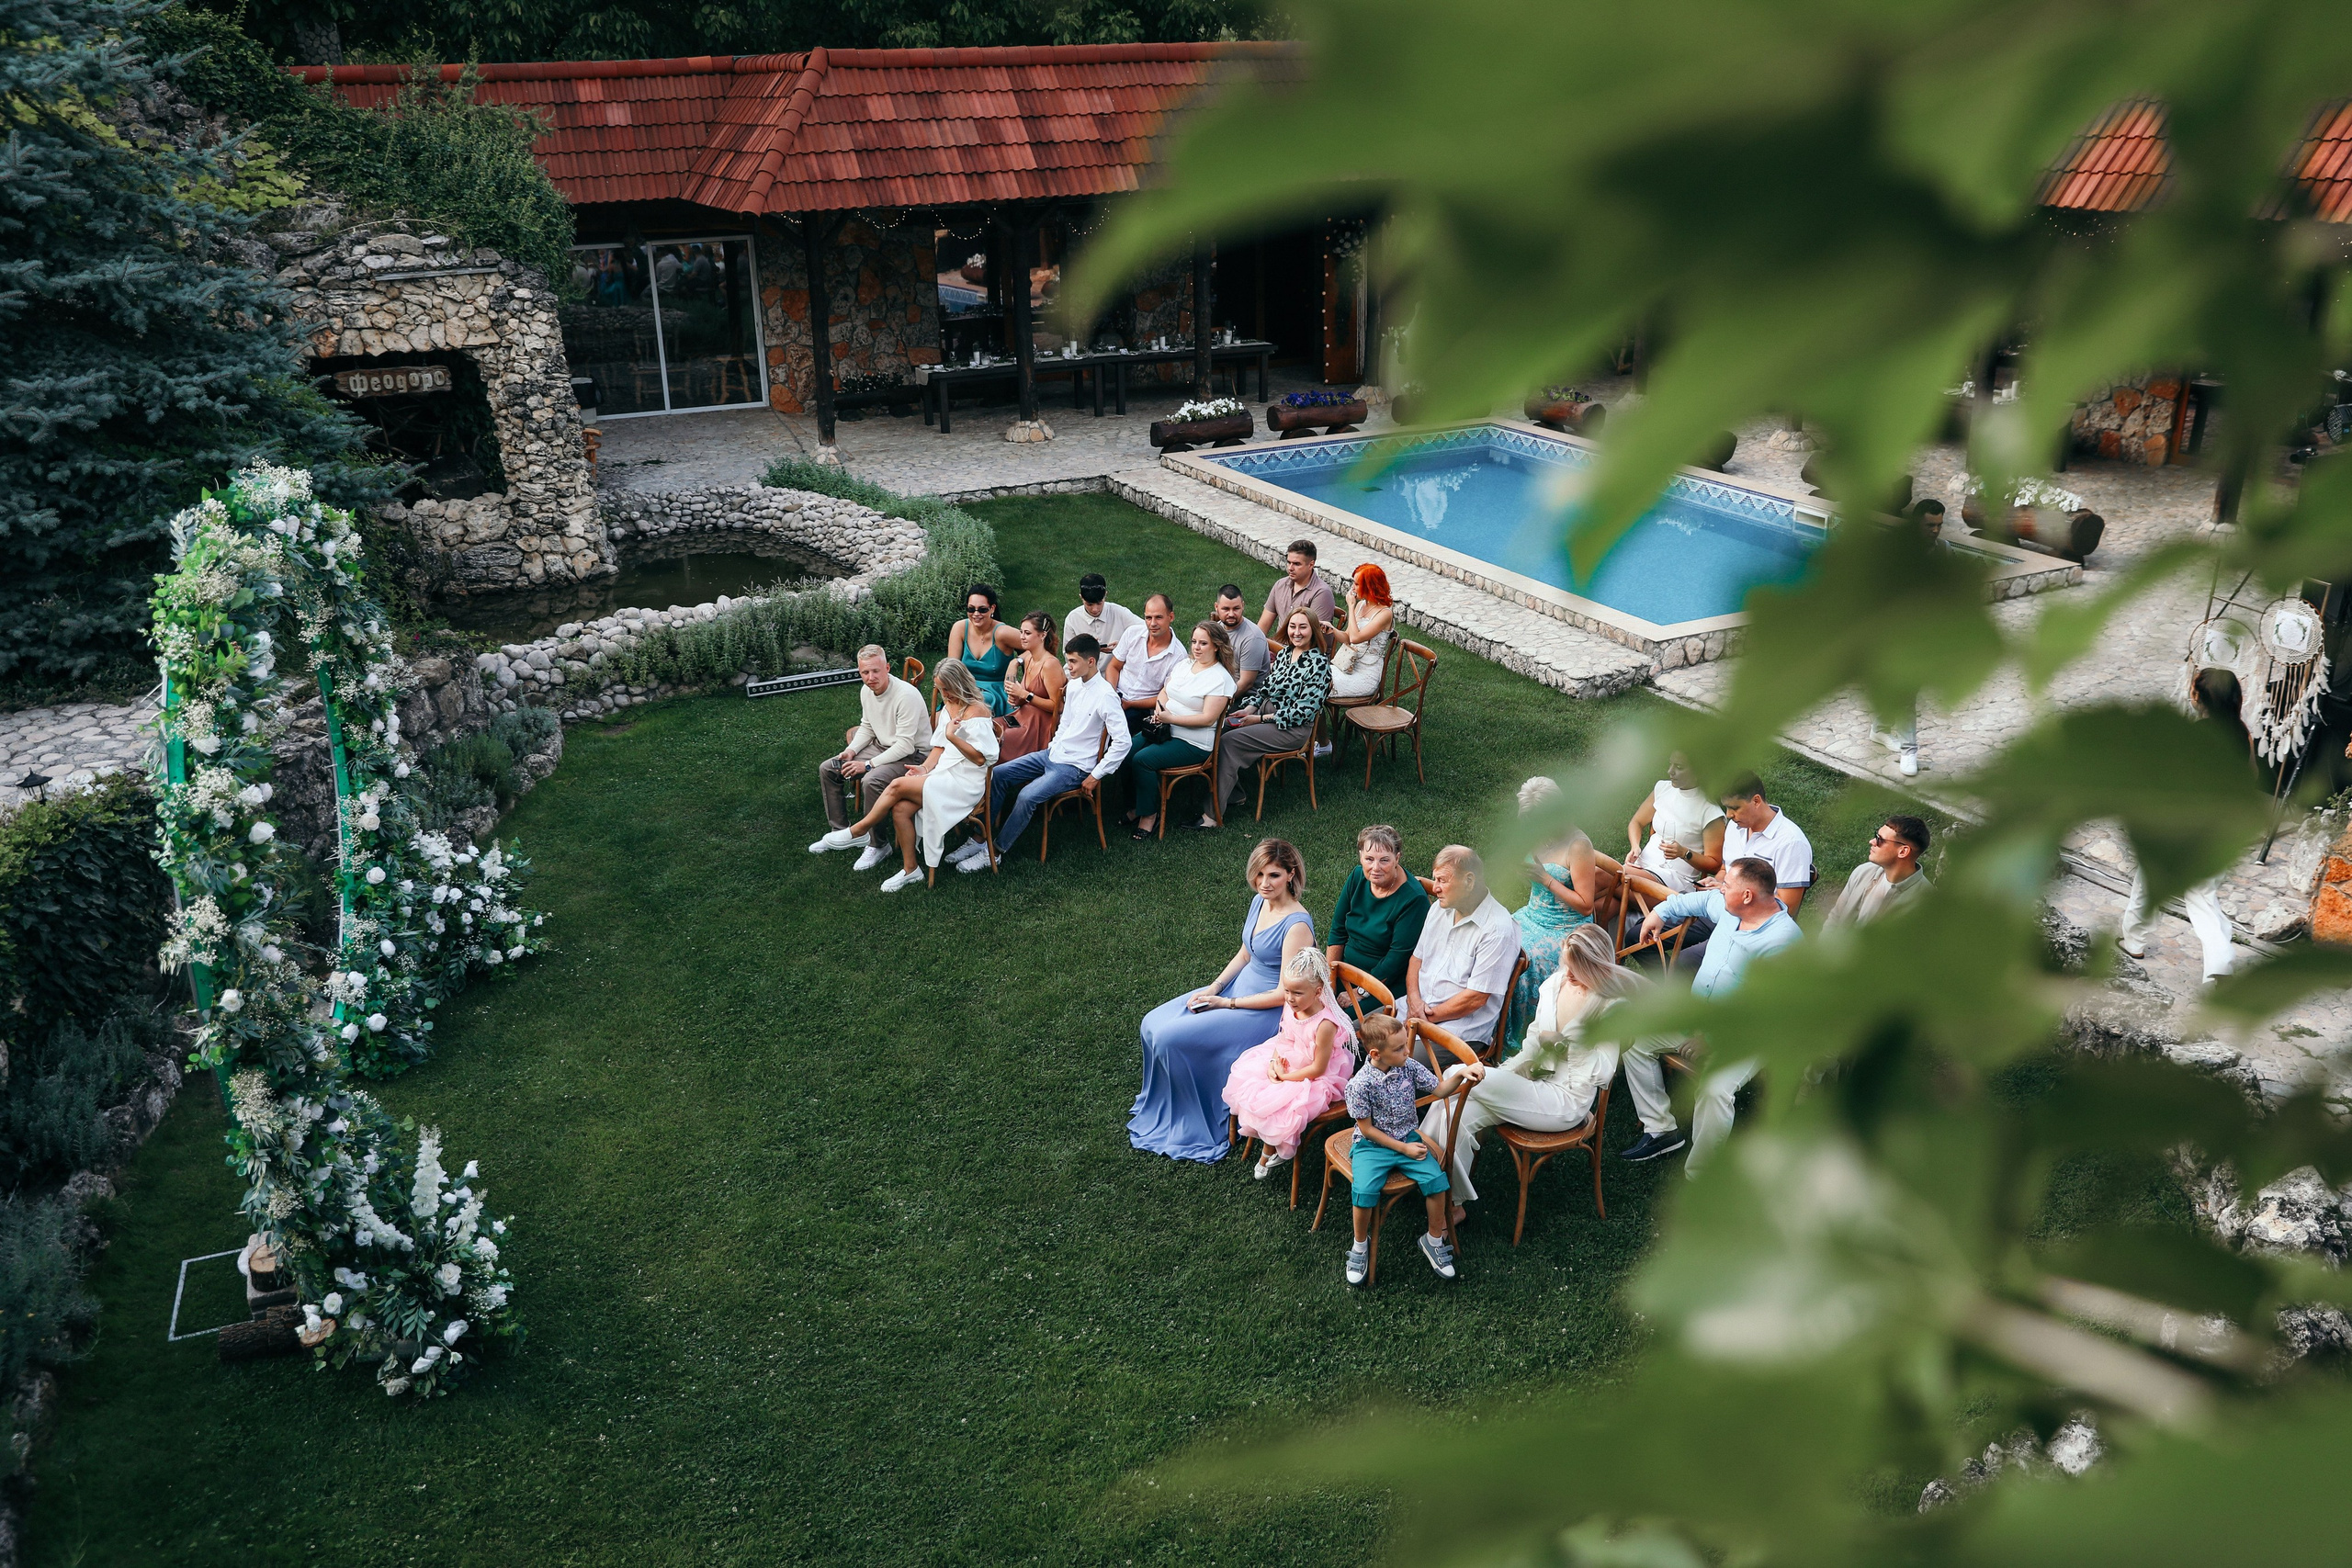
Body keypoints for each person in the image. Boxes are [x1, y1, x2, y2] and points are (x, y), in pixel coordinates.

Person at [1419, 923, 1636, 1224]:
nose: (1567, 973)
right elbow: (1534, 1041)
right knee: (1455, 1112)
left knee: (1459, 1074)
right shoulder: (1554, 985)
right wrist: (1511, 1071)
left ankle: (1418, 1168)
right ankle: (1449, 1203)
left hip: (1564, 1100)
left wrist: (1566, 1048)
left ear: (1593, 965)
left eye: (1576, 968)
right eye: (1565, 965)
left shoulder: (1611, 1007)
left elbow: (1604, 1070)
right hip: (1531, 1079)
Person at [1131, 839, 1318, 1162]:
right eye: (1258, 875)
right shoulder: (1260, 902)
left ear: (1291, 874)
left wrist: (1226, 1004)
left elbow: (1282, 994)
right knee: (1151, 1024)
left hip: (1261, 1011)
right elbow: (1247, 952)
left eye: (1273, 875)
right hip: (1234, 990)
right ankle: (1163, 1103)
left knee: (1169, 1038)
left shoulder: (1297, 925)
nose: (1263, 883)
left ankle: (1192, 1118)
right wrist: (1215, 988)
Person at [1618, 858, 1804, 1171]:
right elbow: (1701, 899)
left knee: (1714, 1090)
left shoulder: (1783, 942)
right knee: (1636, 1041)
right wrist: (1659, 913)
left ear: (1747, 896)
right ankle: (1661, 1130)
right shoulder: (1732, 910)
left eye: (1727, 885)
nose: (1720, 888)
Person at [810, 661, 999, 892]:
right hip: (943, 773)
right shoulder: (948, 707)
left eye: (947, 688)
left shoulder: (977, 711)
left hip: (965, 782)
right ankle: (912, 870)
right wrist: (925, 769)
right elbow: (938, 748)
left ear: (959, 684)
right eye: (940, 689)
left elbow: (982, 759)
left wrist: (954, 737)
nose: (944, 694)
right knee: (900, 808)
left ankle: (859, 831)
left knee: (898, 785)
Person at [955, 633, 1128, 867]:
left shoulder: (1106, 696)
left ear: (1091, 662)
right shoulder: (1075, 686)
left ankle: (995, 852)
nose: (1069, 666)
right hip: (1052, 754)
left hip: (1075, 767)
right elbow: (1065, 722)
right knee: (998, 775)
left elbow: (1123, 742)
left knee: (1027, 796)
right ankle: (979, 838)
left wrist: (1096, 775)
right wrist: (1054, 745)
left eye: (1074, 662)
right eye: (1068, 660)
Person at [1340, 1013, 1458, 1286]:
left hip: (1407, 1135)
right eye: (1399, 1049)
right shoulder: (1359, 1085)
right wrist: (1404, 1149)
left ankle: (1433, 1239)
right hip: (1373, 1145)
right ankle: (1359, 1246)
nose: (1407, 1051)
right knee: (1364, 1191)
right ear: (1375, 1053)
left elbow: (1440, 1090)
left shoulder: (1409, 1066)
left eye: (1406, 1045)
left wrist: (1461, 1075)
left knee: (1436, 1181)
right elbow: (1367, 1129)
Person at [1222, 947, 1358, 1181]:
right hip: (1290, 1055)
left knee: (1283, 1101)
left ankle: (1271, 1151)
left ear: (1317, 992)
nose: (1290, 998)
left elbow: (1318, 1068)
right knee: (1254, 1081)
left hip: (1317, 1071)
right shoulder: (1292, 1006)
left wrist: (1284, 1077)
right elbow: (1284, 1037)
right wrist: (1275, 1063)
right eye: (1286, 991)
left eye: (1297, 993)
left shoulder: (1324, 1024)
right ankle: (1271, 1145)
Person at [1508, 777, 1621, 1045]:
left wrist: (1545, 878)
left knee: (1524, 959)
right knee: (1497, 942)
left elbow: (1585, 904)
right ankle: (1492, 1024)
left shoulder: (1578, 845)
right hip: (1532, 914)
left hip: (1564, 925)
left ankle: (1522, 1036)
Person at [810, 645, 933, 873]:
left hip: (912, 755)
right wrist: (852, 751)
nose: (871, 677)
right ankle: (842, 832)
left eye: (876, 671)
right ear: (860, 672)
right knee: (829, 768)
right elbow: (867, 726)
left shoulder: (906, 695)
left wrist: (867, 764)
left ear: (887, 668)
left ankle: (877, 844)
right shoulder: (867, 690)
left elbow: (905, 744)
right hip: (881, 745)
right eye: (865, 673)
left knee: (871, 780)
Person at [1211, 606, 1332, 826]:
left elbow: (1303, 712)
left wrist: (1259, 719)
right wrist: (1249, 709)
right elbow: (1265, 689)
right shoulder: (1286, 653)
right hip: (1266, 714)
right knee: (1220, 729)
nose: (1296, 632)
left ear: (1314, 631)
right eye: (1293, 626)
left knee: (1230, 741)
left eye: (1303, 627)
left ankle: (1212, 815)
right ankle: (1234, 793)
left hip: (1292, 729)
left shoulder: (1319, 665)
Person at [1405, 845, 1524, 1056]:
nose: (1435, 888)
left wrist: (1424, 1018)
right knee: (1350, 1033)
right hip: (1414, 1009)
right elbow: (1416, 959)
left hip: (1457, 1029)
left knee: (1391, 1060)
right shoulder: (1439, 909)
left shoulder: (1497, 929)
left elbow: (1475, 998)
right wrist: (1414, 1002)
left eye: (1442, 880)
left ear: (1469, 881)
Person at [1123, 621, 1236, 838]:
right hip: (1163, 728)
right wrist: (1159, 711)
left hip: (1193, 742)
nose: (1196, 647)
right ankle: (1138, 804)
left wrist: (1171, 718)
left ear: (1216, 646)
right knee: (1127, 752)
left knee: (1142, 760)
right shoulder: (1185, 665)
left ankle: (1149, 815)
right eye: (1194, 642)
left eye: (1203, 643)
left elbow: (1207, 719)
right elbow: (1165, 691)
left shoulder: (1220, 679)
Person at [1327, 824, 1432, 1000]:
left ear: (1397, 858)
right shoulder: (1357, 877)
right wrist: (1329, 977)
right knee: (1307, 1002)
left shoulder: (1414, 899)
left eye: (1384, 860)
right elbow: (1337, 930)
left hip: (1382, 983)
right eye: (1369, 859)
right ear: (1360, 857)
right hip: (1344, 971)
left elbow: (1396, 960)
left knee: (1338, 1022)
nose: (1375, 867)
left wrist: (1359, 992)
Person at [1623, 751, 1726, 898]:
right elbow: (1637, 822)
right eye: (1670, 764)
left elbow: (1715, 864)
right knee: (1601, 902)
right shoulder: (1662, 789)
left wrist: (1684, 853)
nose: (1670, 771)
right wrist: (1635, 847)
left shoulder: (1710, 812)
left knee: (1605, 875)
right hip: (1641, 865)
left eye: (1679, 767)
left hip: (1674, 882)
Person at [1825, 816, 1931, 931]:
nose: (1872, 841)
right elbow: (1835, 917)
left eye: (1880, 839)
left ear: (1903, 851)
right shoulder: (1863, 872)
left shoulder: (1927, 903)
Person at [1106, 592, 1185, 739]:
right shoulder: (1132, 633)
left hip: (1141, 708)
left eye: (1158, 617)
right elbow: (1114, 667)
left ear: (1171, 617)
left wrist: (1130, 704)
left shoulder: (1179, 656)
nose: (1152, 623)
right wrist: (1112, 694)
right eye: (1148, 618)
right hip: (1114, 694)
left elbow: (1166, 695)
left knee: (1114, 732)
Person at [947, 583, 1023, 717]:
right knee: (939, 718)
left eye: (982, 609)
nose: (976, 614)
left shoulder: (1002, 633)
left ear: (992, 608)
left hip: (995, 692)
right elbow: (951, 670)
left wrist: (1016, 661)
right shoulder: (960, 628)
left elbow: (1037, 647)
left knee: (973, 709)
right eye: (971, 609)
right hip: (966, 690)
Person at [997, 613, 1064, 762]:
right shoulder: (1030, 657)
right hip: (1021, 716)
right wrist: (1017, 698)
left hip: (1038, 726)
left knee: (996, 739)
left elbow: (1058, 707)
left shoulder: (1050, 665)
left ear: (1042, 635)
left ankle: (993, 778)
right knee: (988, 728)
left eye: (1027, 633)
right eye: (1021, 632)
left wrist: (1024, 694)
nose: (1022, 637)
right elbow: (1025, 696)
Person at [1326, 562, 1396, 703]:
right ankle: (1313, 723)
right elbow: (1347, 638)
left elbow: (1355, 638)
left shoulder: (1385, 614)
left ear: (1370, 586)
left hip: (1365, 675)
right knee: (1310, 676)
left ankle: (1310, 723)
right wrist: (1331, 629)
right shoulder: (1361, 605)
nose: (1353, 587)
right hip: (1346, 666)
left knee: (1316, 685)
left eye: (1357, 584)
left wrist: (1350, 607)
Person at [1258, 539, 1335, 635]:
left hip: (1305, 648)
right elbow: (1262, 627)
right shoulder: (1280, 585)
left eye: (1296, 564)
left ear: (1311, 565)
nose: (1290, 568)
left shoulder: (1322, 593)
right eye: (1289, 562)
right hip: (1278, 647)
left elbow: (1314, 639)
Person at [1212, 583, 1271, 701]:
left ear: (1243, 606)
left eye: (1236, 608)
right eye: (1226, 609)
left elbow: (1246, 684)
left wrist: (1218, 702)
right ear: (1216, 607)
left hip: (1245, 699)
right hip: (1217, 688)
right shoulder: (1216, 629)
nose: (1231, 614)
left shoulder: (1252, 638)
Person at [1064, 573, 1141, 654]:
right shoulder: (1072, 618)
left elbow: (1146, 630)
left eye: (1099, 603)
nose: (1095, 609)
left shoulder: (1120, 612)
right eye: (1089, 604)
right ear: (1081, 597)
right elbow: (1068, 653)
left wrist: (1123, 646)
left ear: (1105, 595)